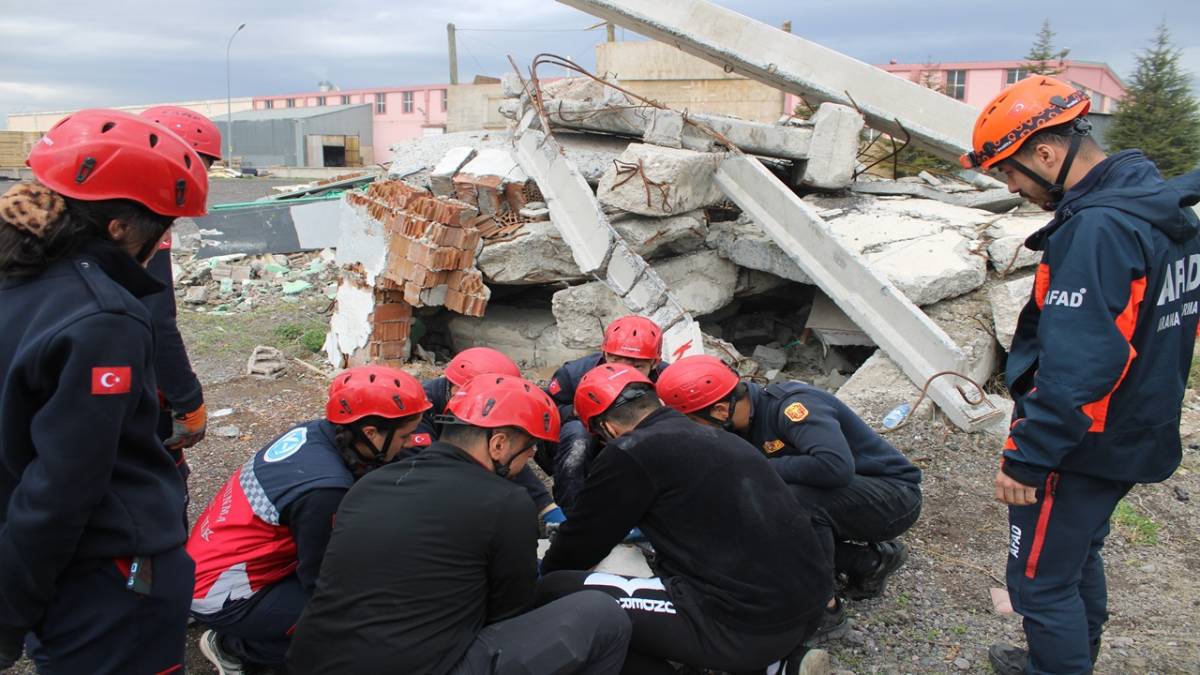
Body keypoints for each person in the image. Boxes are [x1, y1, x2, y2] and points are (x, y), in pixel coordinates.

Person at [959, 75, 1200, 675]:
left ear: (1046, 152)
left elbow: (1080, 366)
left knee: (1039, 581)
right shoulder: (1162, 209)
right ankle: (1066, 659)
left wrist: (1028, 456)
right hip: (1136, 427)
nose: (1012, 187)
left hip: (1079, 443)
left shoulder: (1098, 230)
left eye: (1010, 172)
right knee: (1073, 555)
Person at [0, 108, 208, 673]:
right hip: (110, 575)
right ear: (121, 229)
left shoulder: (19, 276)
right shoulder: (103, 320)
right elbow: (65, 485)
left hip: (53, 566)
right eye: (165, 226)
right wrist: (9, 610)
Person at [287, 373, 631, 675]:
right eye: (528, 451)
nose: (529, 460)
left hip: (312, 659)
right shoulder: (507, 503)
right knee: (603, 615)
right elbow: (511, 612)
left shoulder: (368, 483)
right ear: (498, 444)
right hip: (421, 666)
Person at [538, 364, 834, 674]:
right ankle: (778, 665)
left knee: (559, 591)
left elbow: (581, 542)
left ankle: (746, 659)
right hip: (807, 609)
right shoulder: (720, 438)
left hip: (746, 630)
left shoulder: (630, 451)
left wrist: (543, 578)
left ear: (608, 429)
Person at [187, 365, 431, 673]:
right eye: (406, 436)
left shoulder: (319, 433)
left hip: (214, 559)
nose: (410, 443)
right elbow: (322, 581)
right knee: (357, 628)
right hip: (221, 592)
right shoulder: (324, 490)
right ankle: (236, 648)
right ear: (370, 433)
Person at [655, 354, 920, 635]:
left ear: (720, 410)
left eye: (694, 421)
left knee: (794, 501)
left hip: (894, 497)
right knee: (746, 509)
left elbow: (835, 467)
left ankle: (824, 608)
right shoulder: (742, 423)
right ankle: (867, 562)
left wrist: (755, 467)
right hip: (842, 499)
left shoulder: (793, 407)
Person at [138, 106, 224, 512]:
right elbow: (156, 320)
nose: (199, 179)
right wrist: (188, 400)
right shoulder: (139, 221)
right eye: (196, 165)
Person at [417, 346, 564, 525]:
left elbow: (506, 454)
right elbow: (426, 472)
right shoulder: (419, 412)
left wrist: (547, 507)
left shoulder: (471, 406)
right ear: (457, 390)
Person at [539, 315, 667, 513]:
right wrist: (579, 411)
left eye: (637, 366)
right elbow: (545, 410)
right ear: (605, 353)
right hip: (588, 437)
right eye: (616, 361)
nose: (624, 372)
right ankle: (572, 511)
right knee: (577, 436)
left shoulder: (669, 381)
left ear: (655, 362)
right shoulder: (574, 374)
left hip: (642, 442)